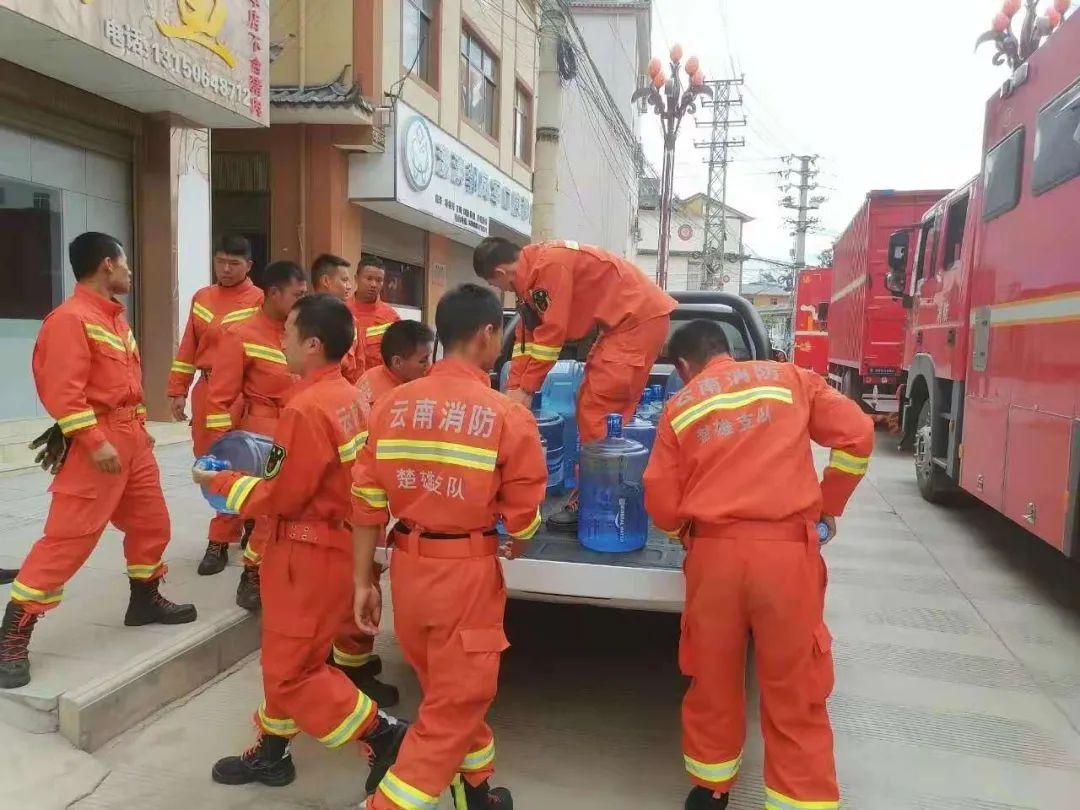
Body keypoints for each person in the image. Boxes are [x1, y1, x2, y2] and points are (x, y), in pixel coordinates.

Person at [641, 320, 874, 810]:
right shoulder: (790, 378)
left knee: (713, 677)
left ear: (684, 366)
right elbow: (857, 435)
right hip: (786, 555)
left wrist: (687, 534)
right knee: (795, 688)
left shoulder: (679, 407)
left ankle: (711, 789)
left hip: (715, 558)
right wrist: (826, 506)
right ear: (729, 350)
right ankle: (800, 799)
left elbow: (660, 502)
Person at [193, 293, 408, 796]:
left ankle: (382, 734)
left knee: (294, 672)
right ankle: (272, 750)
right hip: (333, 548)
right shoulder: (349, 395)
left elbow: (284, 493)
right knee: (286, 657)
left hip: (305, 554)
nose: (280, 339)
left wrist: (221, 483)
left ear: (312, 344)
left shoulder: (307, 407)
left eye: (288, 332)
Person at [352, 283, 547, 810]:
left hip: (409, 572)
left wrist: (362, 582)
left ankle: (478, 790)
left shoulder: (390, 407)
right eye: (499, 336)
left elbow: (367, 503)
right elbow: (522, 512)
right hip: (466, 577)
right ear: (487, 333)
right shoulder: (505, 415)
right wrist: (519, 539)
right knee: (457, 703)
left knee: (447, 692)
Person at [1, 233, 196, 689]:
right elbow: (62, 391)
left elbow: (125, 383)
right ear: (108, 264)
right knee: (69, 539)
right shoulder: (69, 321)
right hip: (100, 444)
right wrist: (93, 440)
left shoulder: (114, 320)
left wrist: (139, 433)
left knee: (152, 524)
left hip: (133, 440)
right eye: (125, 264)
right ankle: (13, 633)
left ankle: (144, 599)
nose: (129, 272)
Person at [473, 236, 676, 532]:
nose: (499, 289)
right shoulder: (533, 277)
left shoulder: (549, 268)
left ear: (502, 273)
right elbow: (527, 339)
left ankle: (597, 500)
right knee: (592, 403)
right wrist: (512, 390)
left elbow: (551, 337)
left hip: (636, 322)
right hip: (625, 324)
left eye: (495, 284)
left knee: (599, 408)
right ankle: (599, 491)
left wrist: (526, 390)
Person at [201, 260, 308, 609]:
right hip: (262, 434)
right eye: (297, 294)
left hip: (300, 428)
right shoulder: (242, 334)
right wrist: (221, 452)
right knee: (266, 511)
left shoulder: (302, 332)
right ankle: (252, 575)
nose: (302, 301)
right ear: (274, 293)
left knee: (292, 509)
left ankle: (278, 571)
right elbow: (219, 397)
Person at [168, 235, 264, 572]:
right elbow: (187, 347)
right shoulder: (202, 298)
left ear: (249, 266)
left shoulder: (260, 302)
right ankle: (236, 523)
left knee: (244, 463)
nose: (225, 269)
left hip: (243, 395)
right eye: (220, 261)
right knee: (211, 464)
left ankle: (222, 538)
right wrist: (177, 389)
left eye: (234, 263)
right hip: (207, 392)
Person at [354, 320, 435, 419]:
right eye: (423, 361)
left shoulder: (426, 379)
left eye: (429, 357)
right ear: (397, 362)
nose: (429, 365)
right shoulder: (378, 400)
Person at [311, 253, 366, 384]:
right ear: (326, 281)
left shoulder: (351, 322)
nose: (349, 286)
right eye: (344, 280)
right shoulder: (302, 318)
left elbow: (359, 367)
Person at [348, 254, 401, 370]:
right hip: (347, 384)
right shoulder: (341, 312)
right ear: (356, 278)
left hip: (378, 384)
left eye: (379, 280)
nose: (373, 285)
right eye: (369, 278)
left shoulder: (391, 317)